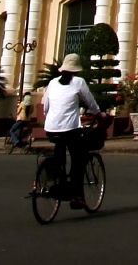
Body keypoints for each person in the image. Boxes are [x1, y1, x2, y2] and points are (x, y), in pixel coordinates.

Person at [42, 54, 101, 208]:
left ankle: (58, 180)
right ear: (76, 70)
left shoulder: (52, 83)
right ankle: (77, 196)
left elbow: (45, 107)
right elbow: (90, 102)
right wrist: (98, 113)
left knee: (59, 154)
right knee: (78, 159)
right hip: (70, 129)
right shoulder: (78, 82)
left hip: (51, 128)